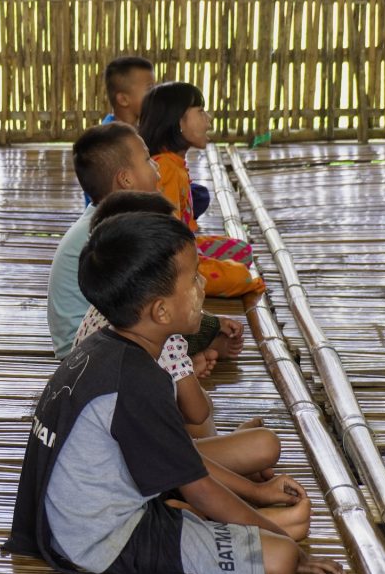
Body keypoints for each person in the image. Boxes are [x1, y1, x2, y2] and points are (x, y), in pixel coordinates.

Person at [5, 211, 344, 574]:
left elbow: (180, 463)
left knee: (268, 523)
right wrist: (291, 549)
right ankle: (206, 521)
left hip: (72, 520)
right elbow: (198, 485)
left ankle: (196, 517)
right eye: (194, 278)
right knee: (279, 558)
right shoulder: (140, 380)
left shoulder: (104, 350)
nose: (202, 285)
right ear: (161, 310)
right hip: (101, 540)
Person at [72, 191, 282, 485]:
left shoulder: (103, 310)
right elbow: (197, 414)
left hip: (107, 460)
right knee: (263, 443)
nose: (203, 282)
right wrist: (254, 493)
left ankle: (227, 457)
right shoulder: (165, 341)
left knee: (184, 402)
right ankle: (230, 462)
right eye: (194, 276)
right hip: (132, 472)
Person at [46, 122, 244, 360]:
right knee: (165, 323)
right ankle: (183, 369)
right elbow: (147, 301)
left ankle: (188, 360)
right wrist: (210, 326)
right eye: (148, 160)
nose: (157, 169)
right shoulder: (114, 231)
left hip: (93, 337)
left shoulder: (109, 220)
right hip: (85, 348)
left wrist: (207, 321)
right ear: (126, 180)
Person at [139, 82, 264, 296]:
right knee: (240, 276)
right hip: (166, 265)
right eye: (201, 111)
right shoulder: (166, 169)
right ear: (179, 122)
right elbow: (168, 245)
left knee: (242, 251)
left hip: (182, 248)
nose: (209, 120)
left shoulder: (173, 163)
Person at [102, 55, 156, 126]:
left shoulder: (144, 132)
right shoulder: (104, 136)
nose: (156, 94)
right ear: (123, 99)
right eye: (150, 89)